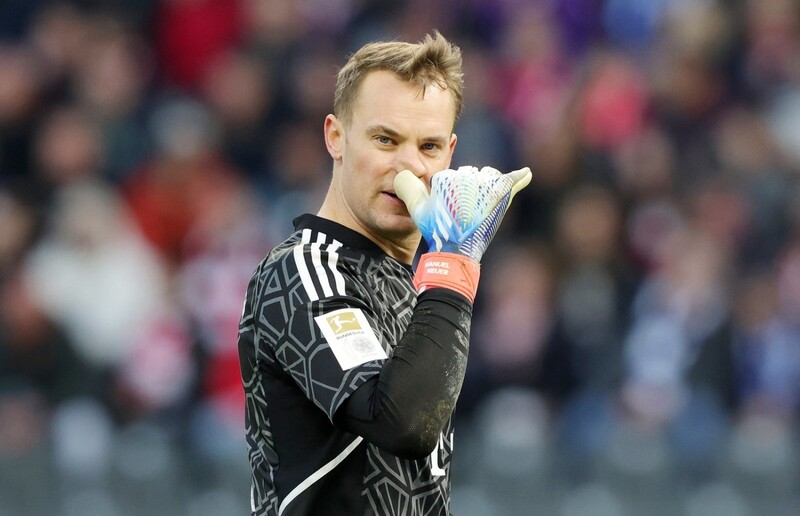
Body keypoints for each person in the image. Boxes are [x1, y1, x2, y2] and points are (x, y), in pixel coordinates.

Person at [237, 31, 531, 516]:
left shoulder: (419, 284)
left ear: (451, 153)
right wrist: (455, 268)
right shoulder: (302, 270)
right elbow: (402, 424)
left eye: (430, 146)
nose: (409, 168)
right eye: (385, 139)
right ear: (335, 136)